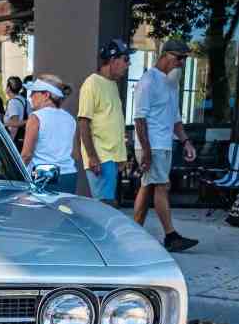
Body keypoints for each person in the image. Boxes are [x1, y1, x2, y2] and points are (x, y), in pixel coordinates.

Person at [132, 40, 198, 252]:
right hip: (152, 145)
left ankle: (133, 234)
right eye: (179, 58)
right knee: (162, 187)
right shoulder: (148, 81)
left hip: (163, 144)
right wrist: (147, 152)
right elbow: (139, 119)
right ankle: (171, 236)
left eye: (185, 59)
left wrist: (186, 141)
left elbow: (175, 119)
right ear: (166, 55)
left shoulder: (171, 83)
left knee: (147, 186)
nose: (182, 63)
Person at [78, 39, 134, 205]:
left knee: (107, 207)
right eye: (125, 59)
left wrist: (122, 155)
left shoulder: (112, 84)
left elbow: (112, 121)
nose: (128, 64)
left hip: (112, 157)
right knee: (105, 207)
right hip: (101, 157)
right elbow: (83, 122)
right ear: (112, 60)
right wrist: (92, 157)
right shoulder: (92, 83)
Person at [20, 75, 78, 193]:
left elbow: (26, 155)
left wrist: (16, 174)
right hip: (69, 175)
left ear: (46, 95)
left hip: (43, 175)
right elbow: (75, 154)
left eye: (34, 92)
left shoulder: (36, 117)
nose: (30, 96)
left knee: (41, 211)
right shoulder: (70, 119)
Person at [3, 76, 28, 148]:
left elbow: (14, 125)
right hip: (23, 139)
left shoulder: (13, 102)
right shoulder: (24, 100)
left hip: (16, 142)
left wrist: (9, 144)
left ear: (8, 88)